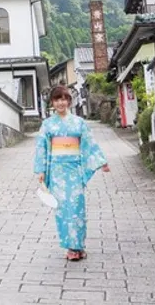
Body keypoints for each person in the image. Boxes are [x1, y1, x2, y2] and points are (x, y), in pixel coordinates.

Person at [33, 85, 110, 261]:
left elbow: (89, 143)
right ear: (52, 102)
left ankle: (78, 245)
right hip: (57, 171)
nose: (61, 102)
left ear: (69, 101)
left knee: (77, 207)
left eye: (64, 99)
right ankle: (71, 247)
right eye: (57, 99)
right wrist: (41, 170)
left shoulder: (79, 122)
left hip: (75, 170)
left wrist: (101, 161)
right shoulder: (48, 125)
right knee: (62, 209)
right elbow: (41, 147)